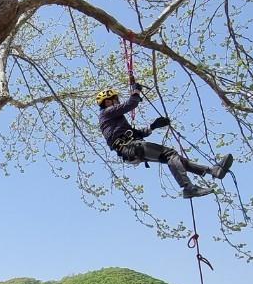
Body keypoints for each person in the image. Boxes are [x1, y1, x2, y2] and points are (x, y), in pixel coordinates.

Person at [96, 85, 232, 199]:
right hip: (131, 148)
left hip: (131, 149)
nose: (118, 102)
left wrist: (153, 126)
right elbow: (131, 103)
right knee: (170, 154)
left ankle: (213, 171)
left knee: (176, 159)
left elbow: (135, 133)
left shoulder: (114, 120)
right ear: (108, 102)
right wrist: (136, 91)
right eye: (115, 100)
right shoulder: (107, 113)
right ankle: (188, 188)